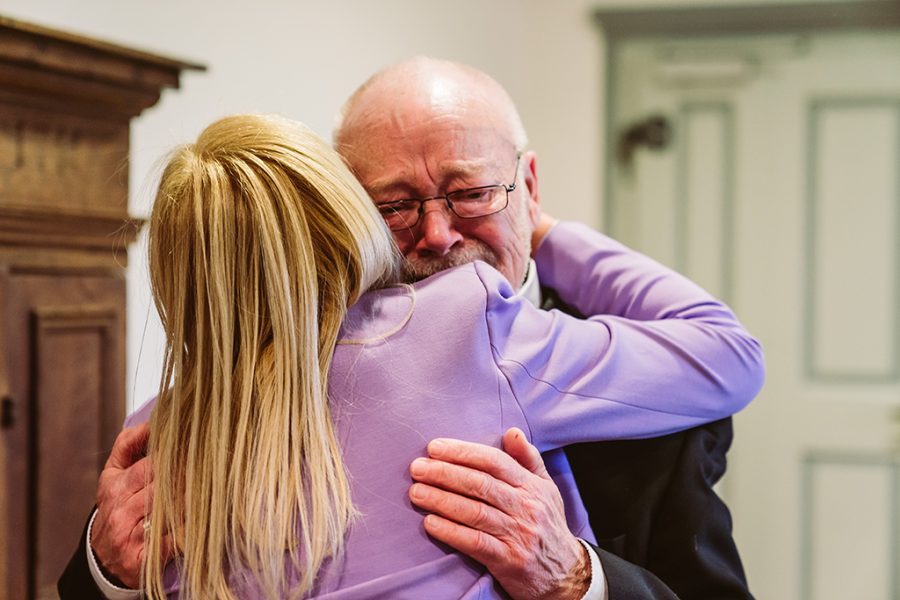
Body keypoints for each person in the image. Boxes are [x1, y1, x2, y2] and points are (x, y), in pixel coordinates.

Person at [59, 58, 763, 599]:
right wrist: (109, 563)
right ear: (345, 218)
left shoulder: (651, 392)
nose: (438, 231)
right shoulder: (194, 413)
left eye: (471, 192)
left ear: (530, 185)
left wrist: (577, 580)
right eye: (393, 205)